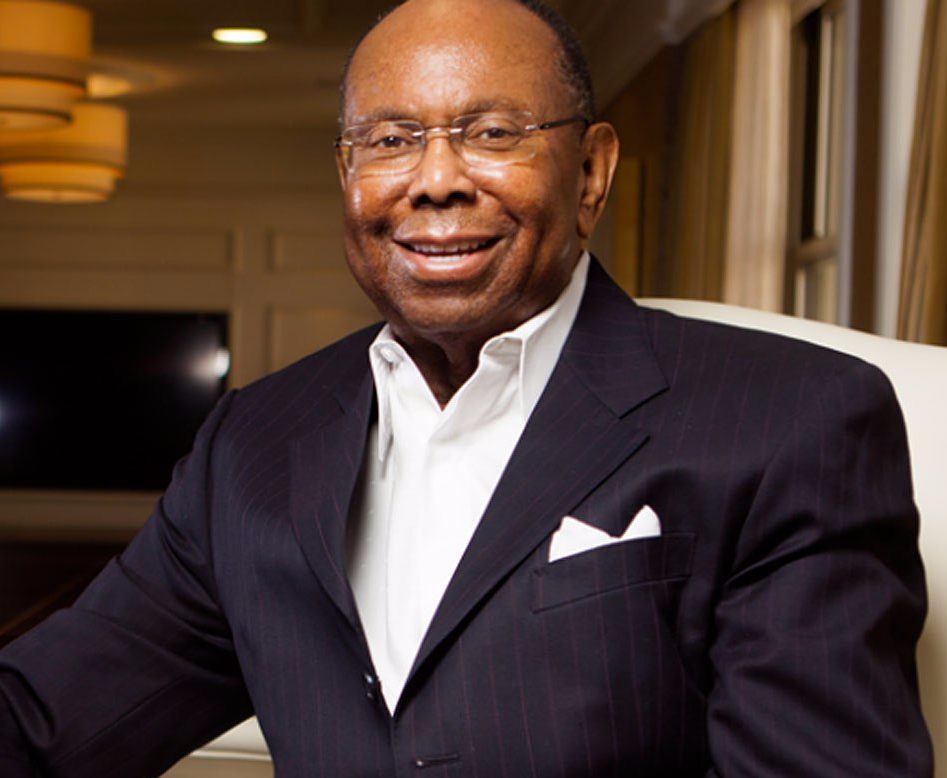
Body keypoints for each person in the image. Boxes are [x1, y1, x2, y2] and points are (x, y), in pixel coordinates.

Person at [0, 0, 933, 775]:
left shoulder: (790, 418)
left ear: (592, 172)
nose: (435, 180)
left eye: (492, 133)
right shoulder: (254, 442)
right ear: (347, 172)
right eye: (391, 139)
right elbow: (45, 721)